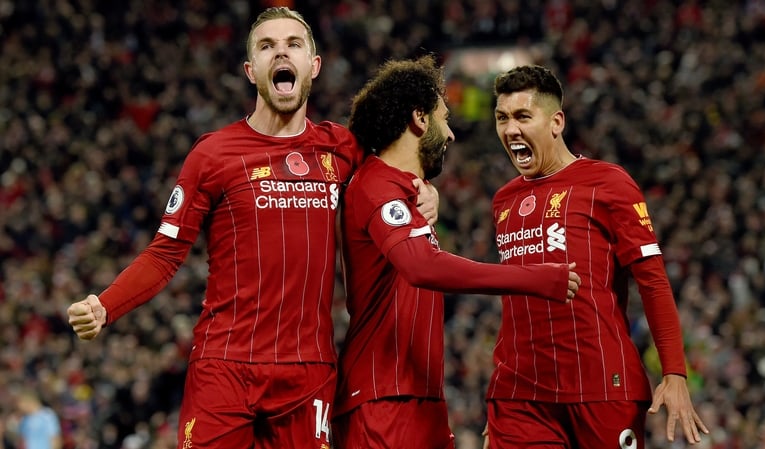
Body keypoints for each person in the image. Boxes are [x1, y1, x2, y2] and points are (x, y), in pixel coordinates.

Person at [65, 7, 438, 449]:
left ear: (313, 67)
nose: (281, 52)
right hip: (224, 368)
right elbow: (165, 253)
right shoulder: (213, 155)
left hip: (310, 372)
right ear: (251, 70)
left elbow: (392, 179)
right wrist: (107, 306)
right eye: (267, 46)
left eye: (293, 44)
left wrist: (425, 192)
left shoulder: (343, 149)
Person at [332, 55, 581, 449]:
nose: (450, 134)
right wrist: (536, 277)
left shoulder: (403, 192)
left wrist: (425, 194)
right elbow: (421, 266)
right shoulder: (373, 184)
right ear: (420, 119)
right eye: (444, 117)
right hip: (382, 398)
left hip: (420, 399)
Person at [483, 64, 710, 448]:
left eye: (523, 116)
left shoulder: (608, 183)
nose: (510, 130)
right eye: (502, 118)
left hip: (602, 386)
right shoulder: (503, 200)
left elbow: (652, 280)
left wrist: (674, 373)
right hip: (522, 397)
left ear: (556, 122)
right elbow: (515, 305)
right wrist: (501, 402)